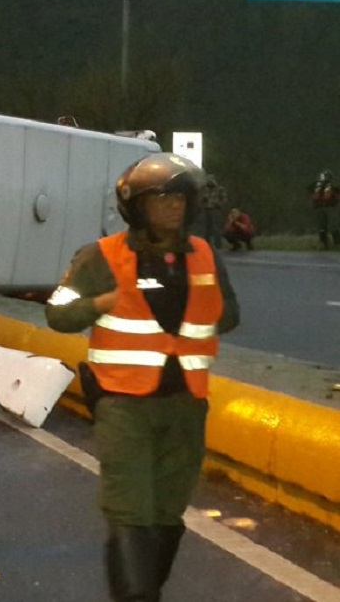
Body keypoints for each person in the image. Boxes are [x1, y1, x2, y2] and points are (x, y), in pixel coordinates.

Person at [45, 152, 240, 602]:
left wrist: (198, 307)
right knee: (131, 509)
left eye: (180, 198)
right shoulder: (100, 256)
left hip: (186, 404)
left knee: (167, 513)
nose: (174, 206)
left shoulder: (206, 255)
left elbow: (228, 313)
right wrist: (98, 304)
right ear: (137, 206)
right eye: (162, 199)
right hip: (124, 406)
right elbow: (57, 312)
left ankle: (145, 590)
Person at [198, 174, 227, 249]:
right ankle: (206, 245)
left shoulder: (219, 189)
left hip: (215, 210)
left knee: (216, 228)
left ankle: (218, 246)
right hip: (206, 210)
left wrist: (219, 204)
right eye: (208, 180)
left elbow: (224, 199)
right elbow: (200, 198)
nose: (210, 182)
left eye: (211, 180)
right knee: (206, 228)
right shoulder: (204, 189)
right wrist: (202, 202)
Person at [310, 170, 337, 248]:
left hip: (324, 208)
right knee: (327, 227)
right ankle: (331, 244)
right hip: (326, 208)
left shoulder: (318, 186)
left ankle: (327, 244)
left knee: (326, 227)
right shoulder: (325, 186)